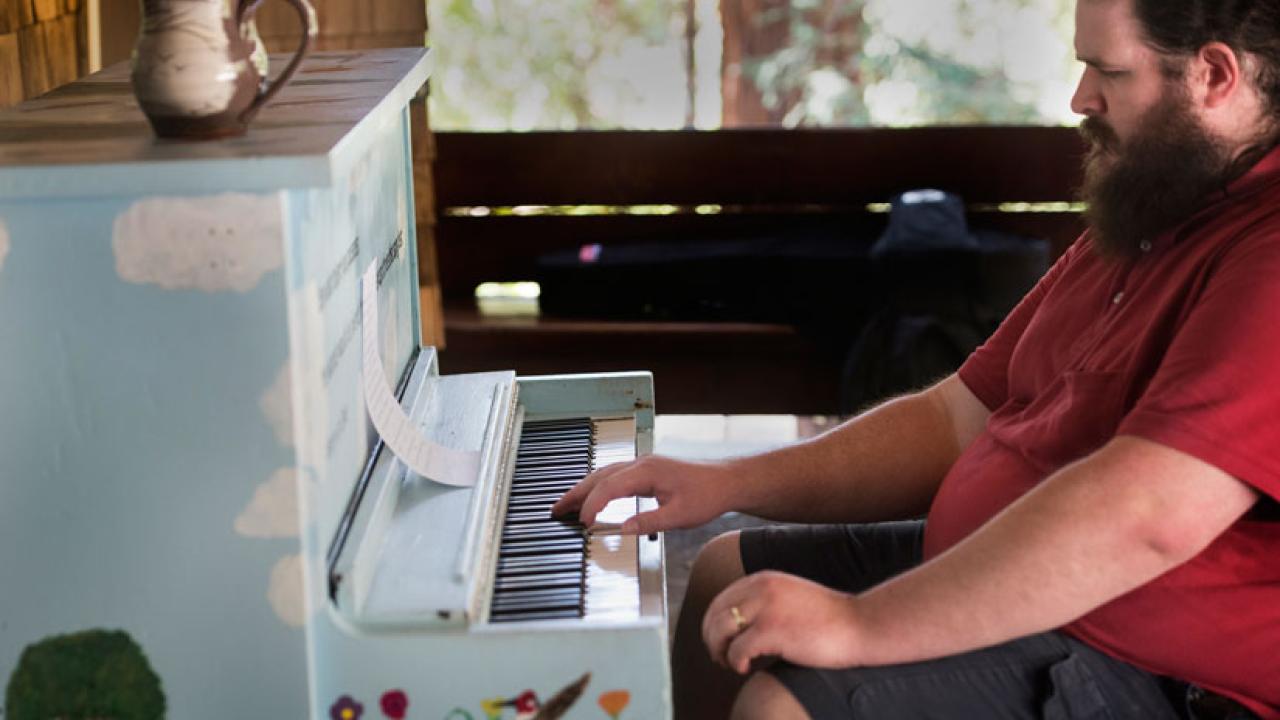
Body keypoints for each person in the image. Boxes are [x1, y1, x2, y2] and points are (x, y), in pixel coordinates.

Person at [552, 0, 1280, 717]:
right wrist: (727, 480)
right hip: (1025, 574)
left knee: (783, 704)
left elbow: (1149, 514)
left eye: (1109, 72)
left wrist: (859, 626)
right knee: (725, 574)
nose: (1080, 98)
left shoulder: (1266, 253)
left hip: (1152, 661)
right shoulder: (1161, 205)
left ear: (1214, 76)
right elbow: (955, 418)